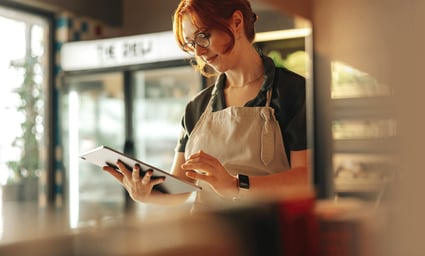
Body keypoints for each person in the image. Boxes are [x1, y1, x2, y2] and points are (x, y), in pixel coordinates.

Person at [103, 0, 312, 212]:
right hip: (207, 237)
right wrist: (146, 194)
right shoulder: (196, 107)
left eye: (203, 37)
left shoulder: (292, 91)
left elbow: (306, 177)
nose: (199, 52)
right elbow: (182, 188)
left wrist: (235, 186)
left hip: (267, 236)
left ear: (237, 22)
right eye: (191, 44)